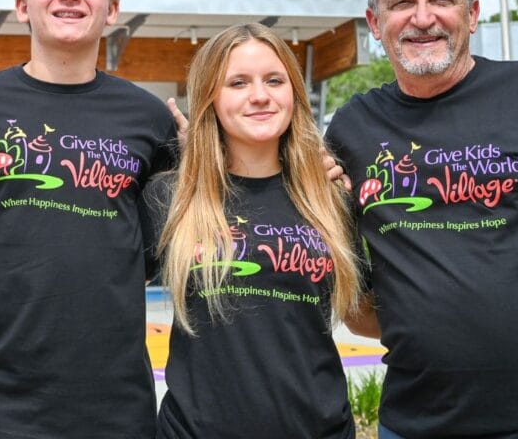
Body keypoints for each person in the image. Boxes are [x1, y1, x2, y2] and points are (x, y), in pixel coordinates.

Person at [0, 0, 178, 439]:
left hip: (115, 405)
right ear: (22, 5)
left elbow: (161, 243)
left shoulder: (150, 118)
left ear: (111, 9)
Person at [327, 0, 518, 438]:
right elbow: (345, 273)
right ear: (374, 24)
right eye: (402, 3)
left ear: (472, 13)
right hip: (415, 422)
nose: (423, 17)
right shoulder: (353, 127)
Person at [149, 24, 362, 438]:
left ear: (294, 93)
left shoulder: (331, 198)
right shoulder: (171, 197)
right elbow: (96, 282)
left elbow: (368, 314)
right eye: (238, 83)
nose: (260, 95)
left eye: (274, 80)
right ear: (211, 97)